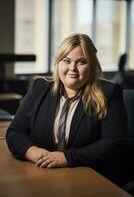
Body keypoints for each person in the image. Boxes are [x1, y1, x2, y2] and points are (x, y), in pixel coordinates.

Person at [6, 33, 127, 185]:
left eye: (81, 62)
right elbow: (15, 132)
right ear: (58, 63)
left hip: (89, 178)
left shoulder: (109, 93)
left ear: (92, 66)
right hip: (42, 174)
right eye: (66, 61)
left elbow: (113, 142)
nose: (72, 69)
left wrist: (67, 158)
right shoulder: (40, 88)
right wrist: (32, 152)